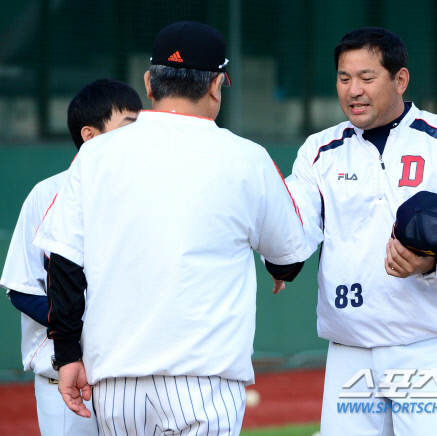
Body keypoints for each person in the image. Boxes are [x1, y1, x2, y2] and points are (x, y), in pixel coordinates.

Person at [33, 21, 310, 436]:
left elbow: (63, 264)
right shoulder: (247, 158)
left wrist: (68, 354)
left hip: (116, 384)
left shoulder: (94, 155)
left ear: (149, 82)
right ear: (216, 85)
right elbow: (289, 260)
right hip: (205, 381)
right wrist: (277, 269)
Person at [276, 27, 437, 435]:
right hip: (350, 344)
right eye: (344, 78)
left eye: (367, 77)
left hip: (430, 340)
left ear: (400, 79)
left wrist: (430, 263)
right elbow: (295, 219)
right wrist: (279, 256)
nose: (353, 90)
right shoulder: (319, 150)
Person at [0, 78, 142, 435]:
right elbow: (21, 288)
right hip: (64, 380)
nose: (138, 137)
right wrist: (81, 327)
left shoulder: (146, 196)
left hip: (133, 376)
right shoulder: (48, 193)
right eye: (128, 125)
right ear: (90, 136)